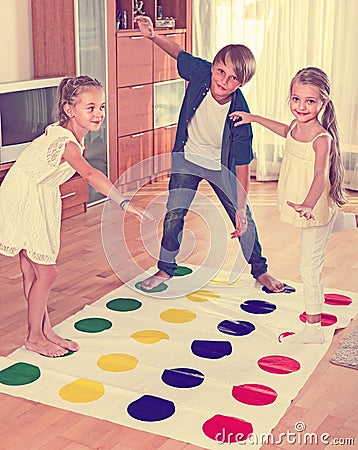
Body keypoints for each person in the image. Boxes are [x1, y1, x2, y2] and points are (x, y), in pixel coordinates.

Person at [0, 75, 151, 357]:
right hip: (23, 197)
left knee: (32, 271)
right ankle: (33, 337)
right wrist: (123, 202)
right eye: (90, 107)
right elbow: (91, 174)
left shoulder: (69, 136)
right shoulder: (66, 143)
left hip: (35, 192)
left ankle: (43, 331)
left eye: (101, 107)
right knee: (46, 271)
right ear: (70, 110)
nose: (99, 114)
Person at [135, 15, 284, 293]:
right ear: (213, 67)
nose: (223, 81)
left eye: (233, 79)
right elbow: (179, 53)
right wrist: (153, 36)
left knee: (244, 219)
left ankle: (260, 271)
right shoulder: (201, 73)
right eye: (220, 72)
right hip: (187, 159)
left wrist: (240, 207)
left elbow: (242, 164)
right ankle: (165, 268)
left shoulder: (240, 115)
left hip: (220, 167)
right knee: (174, 214)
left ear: (241, 83)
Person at [230, 67, 357, 344]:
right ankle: (356, 220)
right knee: (326, 224)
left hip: (311, 207)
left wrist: (309, 204)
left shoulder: (322, 138)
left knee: (309, 268)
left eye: (310, 101)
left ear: (323, 103)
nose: (301, 106)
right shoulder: (296, 127)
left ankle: (313, 329)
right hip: (307, 207)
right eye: (296, 99)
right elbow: (283, 130)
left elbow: (320, 177)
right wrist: (252, 118)